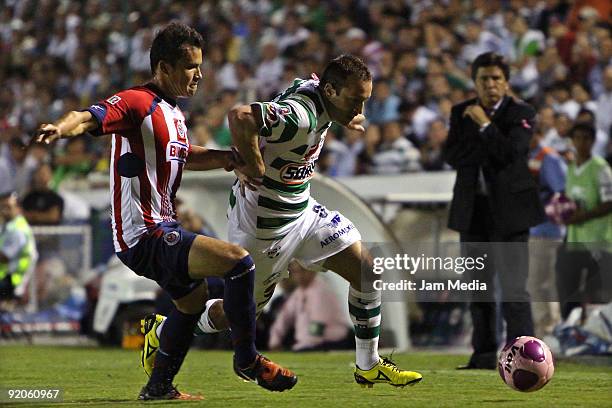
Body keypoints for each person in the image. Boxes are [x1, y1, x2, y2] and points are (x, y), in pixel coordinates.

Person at [34, 22, 296, 400]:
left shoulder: (173, 114)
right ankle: (247, 359)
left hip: (160, 228)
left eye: (200, 66)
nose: (199, 75)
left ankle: (158, 387)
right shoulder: (138, 102)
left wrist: (228, 159)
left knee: (190, 305)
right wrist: (60, 129)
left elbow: (184, 156)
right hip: (144, 233)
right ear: (164, 67)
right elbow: (87, 116)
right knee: (239, 264)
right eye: (191, 67)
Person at [147, 54, 423, 388]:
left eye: (364, 100)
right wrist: (252, 163)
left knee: (366, 269)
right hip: (264, 228)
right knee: (234, 315)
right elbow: (240, 116)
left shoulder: (321, 96)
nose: (360, 109)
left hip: (302, 212)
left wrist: (343, 115)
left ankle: (368, 364)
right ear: (331, 91)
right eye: (355, 101)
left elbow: (300, 96)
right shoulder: (301, 116)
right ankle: (161, 331)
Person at [443, 52, 545, 369]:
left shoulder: (522, 112)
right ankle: (484, 355)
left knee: (514, 289)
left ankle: (524, 358)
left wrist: (485, 127)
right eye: (484, 79)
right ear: (474, 82)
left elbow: (511, 154)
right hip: (473, 211)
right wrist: (488, 143)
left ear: (506, 82)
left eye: (496, 78)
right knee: (478, 289)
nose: (490, 84)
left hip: (510, 214)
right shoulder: (460, 112)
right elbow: (452, 155)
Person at [556, 123, 612, 319]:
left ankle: (597, 335)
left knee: (597, 292)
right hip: (574, 238)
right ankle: (570, 330)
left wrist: (582, 216)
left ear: (593, 141)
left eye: (586, 138)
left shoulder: (601, 168)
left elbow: (609, 202)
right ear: (571, 141)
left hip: (598, 239)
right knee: (568, 288)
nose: (581, 143)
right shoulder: (571, 168)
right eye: (577, 138)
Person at [268, 261, 353, 352]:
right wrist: (274, 341)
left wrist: (304, 346)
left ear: (313, 271)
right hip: (311, 343)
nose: (299, 275)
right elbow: (283, 319)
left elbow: (317, 325)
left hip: (333, 343)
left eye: (302, 271)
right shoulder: (299, 293)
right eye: (295, 272)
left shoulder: (320, 291)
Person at [0, 191, 37, 302]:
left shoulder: (18, 230)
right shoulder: (7, 226)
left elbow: (4, 257)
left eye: (8, 207)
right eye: (1, 207)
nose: (3, 211)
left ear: (18, 209)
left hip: (13, 282)